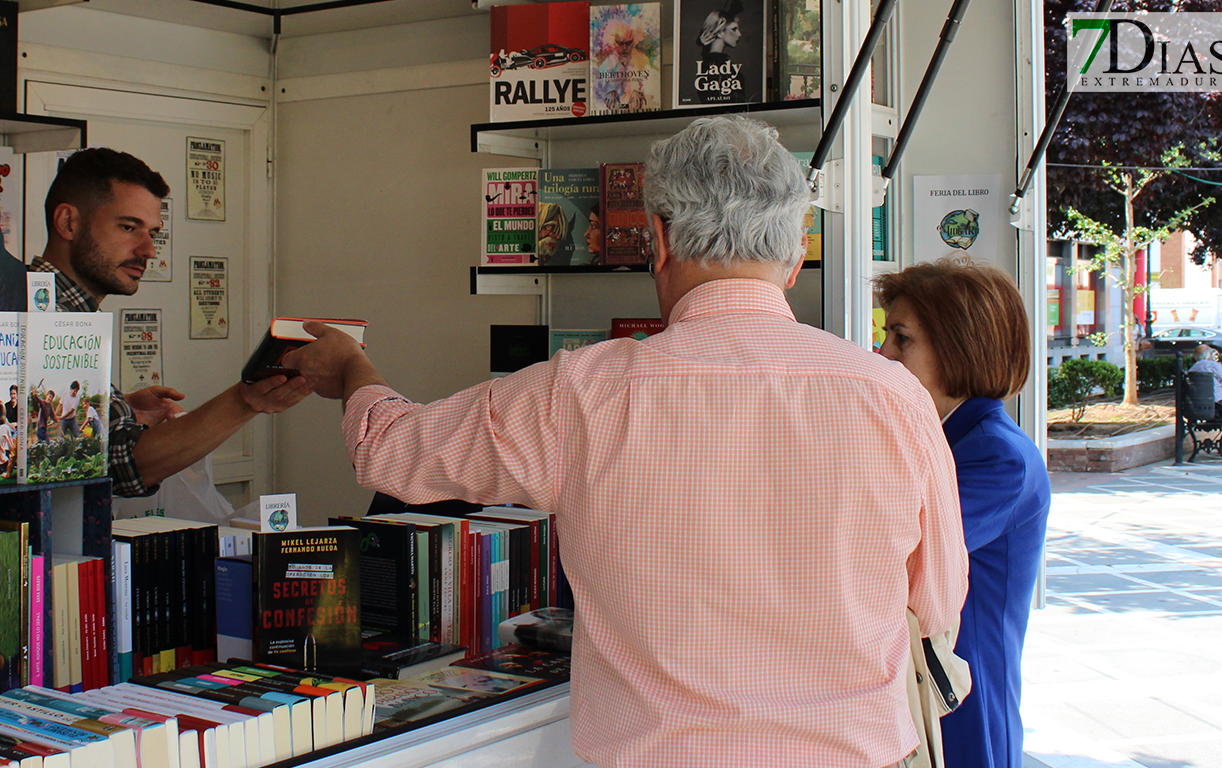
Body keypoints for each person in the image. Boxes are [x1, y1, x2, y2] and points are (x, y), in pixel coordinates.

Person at [287, 115, 968, 768]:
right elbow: (935, 602)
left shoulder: (582, 393)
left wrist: (354, 368)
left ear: (658, 240)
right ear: (794, 257)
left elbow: (392, 452)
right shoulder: (894, 397)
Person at [31, 148, 311, 497]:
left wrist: (118, 407)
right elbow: (120, 463)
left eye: (153, 232)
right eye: (128, 226)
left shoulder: (69, 314)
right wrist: (246, 401)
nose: (148, 249)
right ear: (68, 223)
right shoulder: (36, 314)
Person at [875, 258, 1051, 768]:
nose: (883, 353)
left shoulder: (999, 456)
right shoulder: (944, 437)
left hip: (962, 704)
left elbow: (901, 553)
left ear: (957, 347)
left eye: (901, 338)